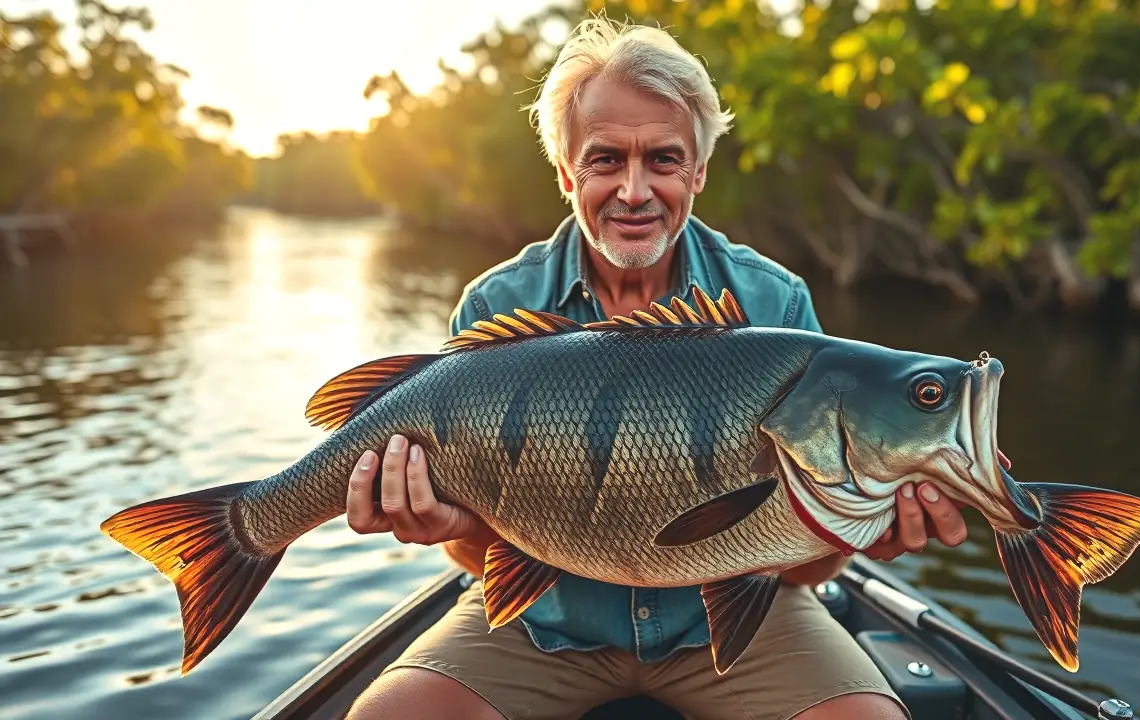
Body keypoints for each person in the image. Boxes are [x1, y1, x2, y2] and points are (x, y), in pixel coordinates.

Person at [345, 17, 969, 720]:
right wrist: (445, 525)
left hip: (735, 625)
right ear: (565, 172)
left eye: (664, 160)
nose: (635, 191)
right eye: (606, 160)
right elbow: (479, 556)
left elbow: (800, 565)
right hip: (544, 624)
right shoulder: (498, 305)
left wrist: (857, 531)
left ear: (698, 170)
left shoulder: (773, 301)